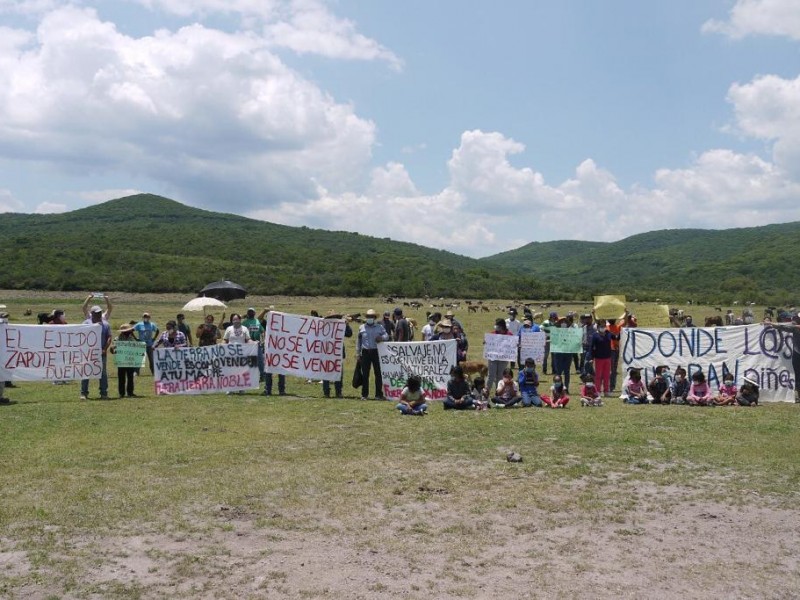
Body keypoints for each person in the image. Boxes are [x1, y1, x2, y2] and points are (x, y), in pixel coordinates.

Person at [763, 315, 800, 402]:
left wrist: (772, 324)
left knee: (798, 375)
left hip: (797, 354)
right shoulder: (795, 328)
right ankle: (797, 394)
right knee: (797, 376)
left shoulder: (796, 328)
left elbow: (785, 327)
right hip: (796, 354)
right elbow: (785, 327)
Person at [357, 309, 389, 400]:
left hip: (376, 352)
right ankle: (364, 395)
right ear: (366, 318)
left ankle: (378, 394)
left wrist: (381, 337)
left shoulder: (380, 327)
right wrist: (358, 353)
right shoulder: (361, 327)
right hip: (365, 352)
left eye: (371, 317)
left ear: (374, 318)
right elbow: (358, 341)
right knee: (365, 374)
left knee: (378, 374)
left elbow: (387, 336)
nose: (369, 318)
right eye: (368, 317)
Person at [80, 306, 112, 400]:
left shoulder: (105, 324)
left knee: (102, 373)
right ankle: (84, 393)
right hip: (88, 352)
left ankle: (103, 393)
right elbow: (81, 335)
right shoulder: (86, 323)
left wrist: (104, 349)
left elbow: (109, 337)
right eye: (96, 313)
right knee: (86, 371)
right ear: (92, 313)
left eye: (100, 313)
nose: (98, 314)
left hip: (101, 353)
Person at [322, 312, 353, 399]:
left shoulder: (341, 326)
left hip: (337, 353)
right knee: (326, 373)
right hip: (327, 352)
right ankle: (326, 392)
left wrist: (346, 325)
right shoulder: (325, 326)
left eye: (335, 317)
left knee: (338, 373)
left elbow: (349, 334)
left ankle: (338, 392)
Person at [259, 307, 287, 396]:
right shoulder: (266, 324)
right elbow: (259, 318)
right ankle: (268, 389)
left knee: (281, 371)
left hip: (280, 351)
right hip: (269, 351)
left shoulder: (282, 325)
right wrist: (265, 310)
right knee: (268, 371)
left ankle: (281, 390)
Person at [589, 319, 617, 397]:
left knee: (607, 375)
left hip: (607, 358)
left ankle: (606, 391)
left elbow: (616, 337)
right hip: (598, 359)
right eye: (601, 326)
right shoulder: (595, 335)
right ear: (598, 327)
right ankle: (597, 391)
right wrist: (591, 358)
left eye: (604, 326)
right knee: (598, 376)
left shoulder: (608, 333)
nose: (603, 327)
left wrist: (623, 332)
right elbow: (591, 348)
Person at [111, 324, 140, 398]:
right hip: (121, 361)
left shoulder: (132, 338)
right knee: (121, 378)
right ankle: (121, 393)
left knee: (130, 377)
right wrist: (113, 349)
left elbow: (137, 347)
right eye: (127, 331)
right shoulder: (117, 339)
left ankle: (130, 392)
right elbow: (112, 349)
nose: (128, 332)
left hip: (130, 361)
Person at [486, 318, 514, 394]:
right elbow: (488, 343)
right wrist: (486, 342)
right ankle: (486, 393)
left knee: (500, 376)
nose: (495, 326)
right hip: (493, 358)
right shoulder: (493, 334)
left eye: (497, 325)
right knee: (491, 376)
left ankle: (498, 393)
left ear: (502, 326)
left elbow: (513, 344)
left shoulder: (509, 334)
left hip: (503, 359)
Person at [242, 308, 265, 379]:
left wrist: (263, 340)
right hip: (247, 345)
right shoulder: (244, 322)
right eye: (249, 312)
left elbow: (262, 331)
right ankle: (249, 376)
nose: (251, 313)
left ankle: (262, 375)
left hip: (257, 344)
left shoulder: (257, 321)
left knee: (260, 360)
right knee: (249, 361)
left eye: (252, 312)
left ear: (254, 313)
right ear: (247, 314)